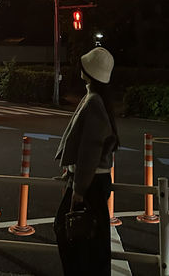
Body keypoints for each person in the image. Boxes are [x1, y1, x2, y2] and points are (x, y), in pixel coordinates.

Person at [54, 46, 119, 275]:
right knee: (90, 241)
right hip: (92, 181)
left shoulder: (93, 102)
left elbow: (89, 150)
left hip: (89, 184)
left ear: (90, 71)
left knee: (74, 235)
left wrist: (78, 190)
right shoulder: (95, 98)